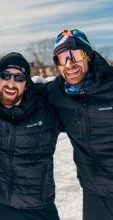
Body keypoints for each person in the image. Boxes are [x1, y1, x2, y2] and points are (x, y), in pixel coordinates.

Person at [0, 52, 60, 220]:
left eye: (19, 78)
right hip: (1, 203)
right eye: (6, 76)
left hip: (39, 205)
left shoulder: (46, 107)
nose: (11, 83)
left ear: (26, 84)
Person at [46, 29, 113, 220]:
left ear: (88, 56)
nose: (70, 63)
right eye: (63, 57)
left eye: (77, 54)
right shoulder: (56, 93)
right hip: (94, 193)